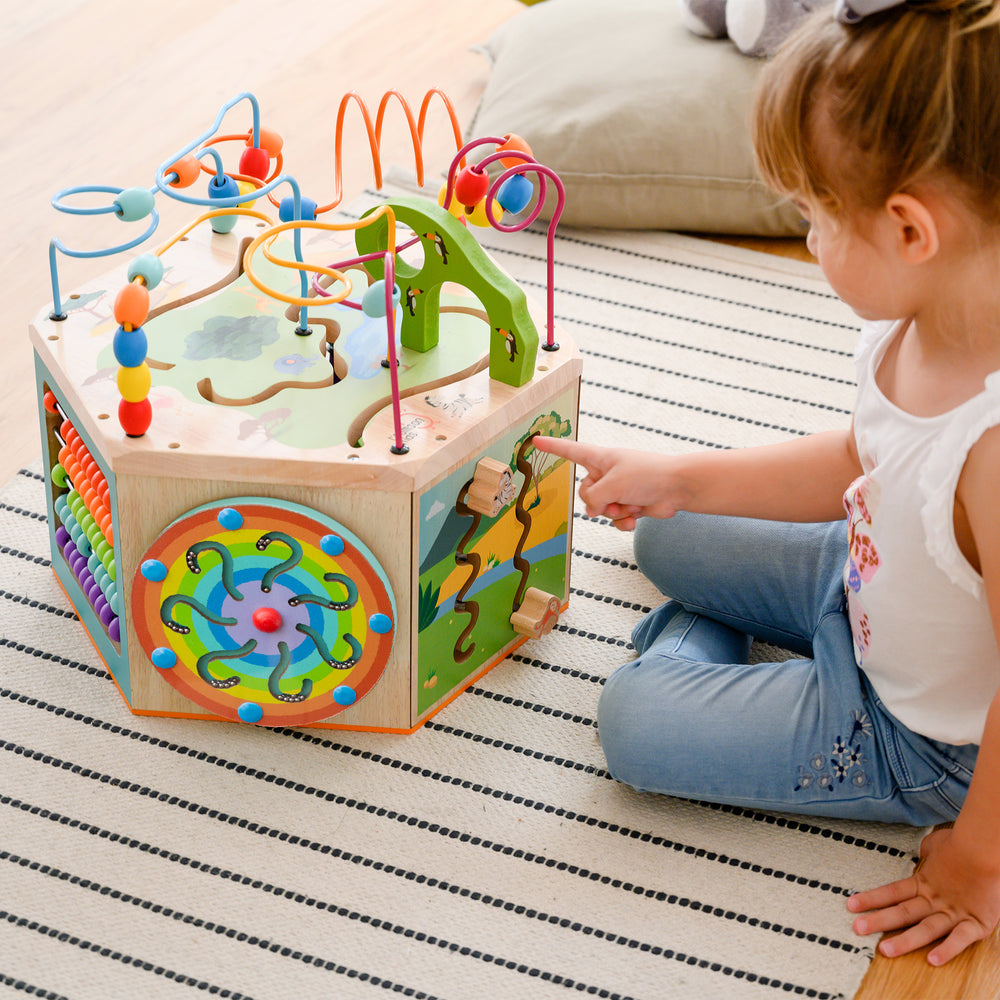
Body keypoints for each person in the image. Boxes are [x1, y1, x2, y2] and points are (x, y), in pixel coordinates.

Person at [535, 0, 1000, 966]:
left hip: (917, 736)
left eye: (814, 216)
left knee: (635, 725)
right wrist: (685, 477)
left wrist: (979, 864)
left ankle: (700, 646)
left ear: (910, 230)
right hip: (869, 580)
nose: (807, 232)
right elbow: (863, 460)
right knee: (668, 530)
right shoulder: (927, 313)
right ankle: (729, 625)